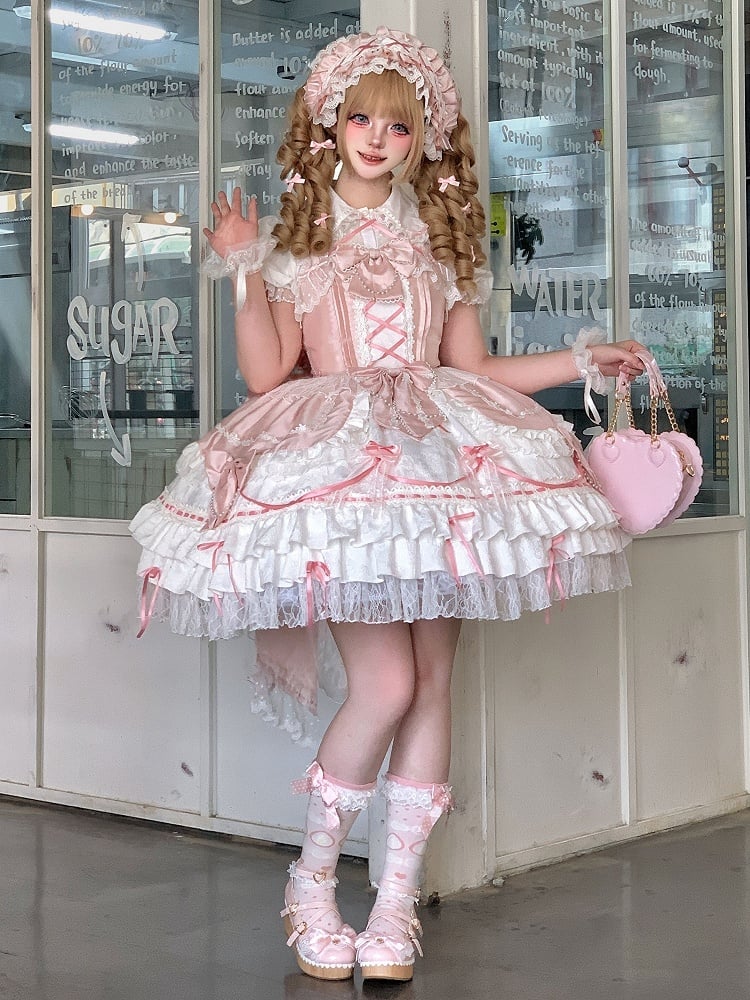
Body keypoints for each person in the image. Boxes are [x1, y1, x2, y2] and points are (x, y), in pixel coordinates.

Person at [129, 26, 646, 983]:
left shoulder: (438, 238)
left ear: (422, 139)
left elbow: (476, 369)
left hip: (438, 465)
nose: (376, 137)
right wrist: (244, 269)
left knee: (435, 684)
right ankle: (312, 885)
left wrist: (582, 363)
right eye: (361, 117)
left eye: (398, 126)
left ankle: (396, 907)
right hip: (346, 476)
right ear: (330, 122)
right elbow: (264, 372)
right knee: (389, 685)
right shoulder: (299, 236)